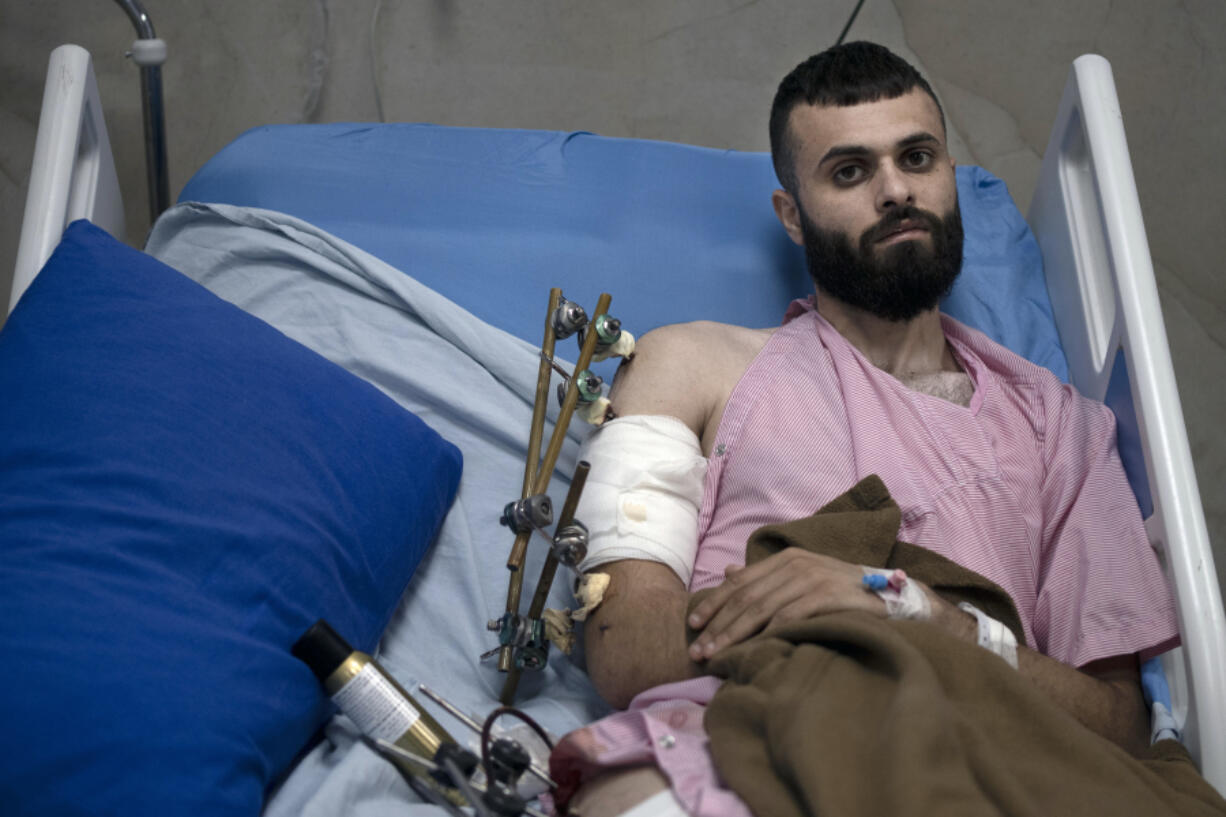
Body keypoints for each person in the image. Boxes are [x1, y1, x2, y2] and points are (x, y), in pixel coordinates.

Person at [559, 42, 1179, 817]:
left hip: (973, 762)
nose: (896, 191)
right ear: (793, 215)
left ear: (950, 174)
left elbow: (1119, 728)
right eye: (849, 171)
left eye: (917, 157)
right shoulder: (691, 364)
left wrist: (900, 605)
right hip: (737, 751)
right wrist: (825, 624)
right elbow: (624, 648)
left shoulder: (1061, 427)